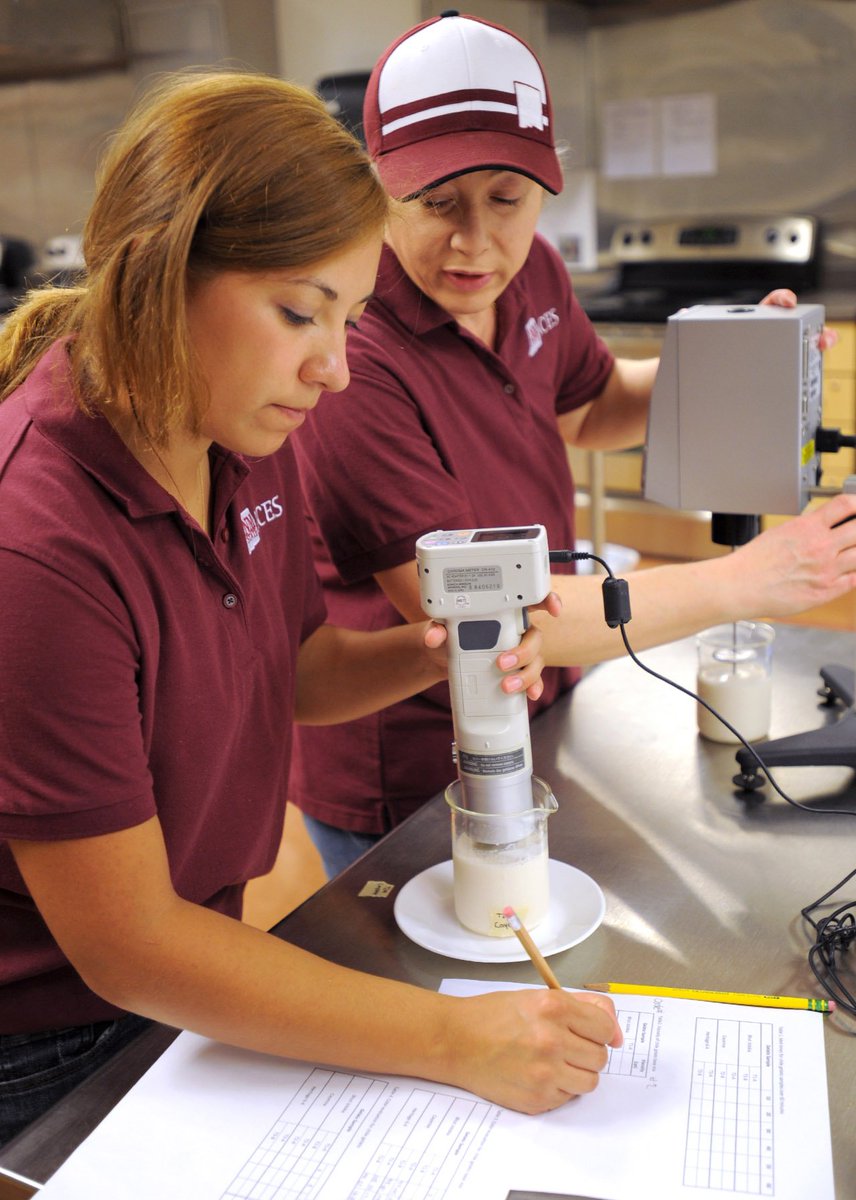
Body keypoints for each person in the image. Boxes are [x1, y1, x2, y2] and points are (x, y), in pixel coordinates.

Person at [0, 70, 623, 1149]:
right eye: (300, 312)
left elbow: (292, 668)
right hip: (53, 1040)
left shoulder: (238, 439)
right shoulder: (38, 546)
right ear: (155, 276)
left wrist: (443, 656)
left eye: (347, 316)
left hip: (200, 957)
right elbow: (129, 946)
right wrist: (457, 1040)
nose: (333, 370)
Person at [289, 11, 856, 877]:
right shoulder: (355, 359)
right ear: (377, 187)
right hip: (416, 767)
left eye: (507, 201)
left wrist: (730, 366)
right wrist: (748, 579)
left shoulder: (535, 273)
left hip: (548, 706)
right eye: (436, 204)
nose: (476, 242)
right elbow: (476, 620)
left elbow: (589, 407)